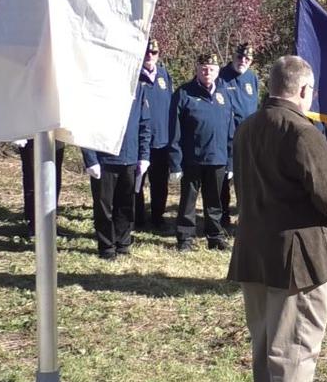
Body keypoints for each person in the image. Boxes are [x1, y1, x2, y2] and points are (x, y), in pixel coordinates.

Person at [227, 55, 327, 382]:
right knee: (296, 343)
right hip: (298, 257)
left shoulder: (247, 128)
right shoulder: (303, 132)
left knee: (266, 337)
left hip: (255, 248)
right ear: (303, 90)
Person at [169, 53, 235, 251]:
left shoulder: (224, 94)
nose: (208, 72)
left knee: (214, 203)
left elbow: (230, 131)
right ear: (197, 69)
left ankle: (214, 237)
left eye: (212, 69)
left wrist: (231, 161)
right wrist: (175, 162)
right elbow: (174, 132)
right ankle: (185, 240)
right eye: (204, 68)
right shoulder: (183, 93)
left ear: (217, 71)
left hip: (218, 159)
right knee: (188, 202)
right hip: (192, 160)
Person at [80, 83, 152, 259]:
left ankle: (123, 244)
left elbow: (144, 123)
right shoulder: (97, 85)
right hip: (104, 159)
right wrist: (90, 158)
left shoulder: (138, 87)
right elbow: (85, 123)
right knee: (105, 206)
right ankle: (106, 247)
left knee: (126, 204)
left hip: (130, 157)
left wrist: (144, 155)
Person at [218, 43, 260, 229]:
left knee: (247, 181)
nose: (243, 61)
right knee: (223, 181)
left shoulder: (252, 78)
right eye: (240, 57)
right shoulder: (220, 76)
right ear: (233, 56)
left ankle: (246, 216)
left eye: (247, 59)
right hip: (224, 138)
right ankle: (222, 218)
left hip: (248, 139)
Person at [135, 39, 174, 232]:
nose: (150, 56)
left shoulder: (164, 75)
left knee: (160, 183)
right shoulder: (133, 76)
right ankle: (138, 218)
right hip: (140, 140)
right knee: (137, 183)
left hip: (162, 141)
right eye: (147, 53)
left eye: (154, 52)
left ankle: (158, 217)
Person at [15, 139, 64, 238]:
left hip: (55, 137)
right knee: (33, 180)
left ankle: (51, 223)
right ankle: (34, 225)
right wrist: (17, 134)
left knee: (54, 179)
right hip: (30, 136)